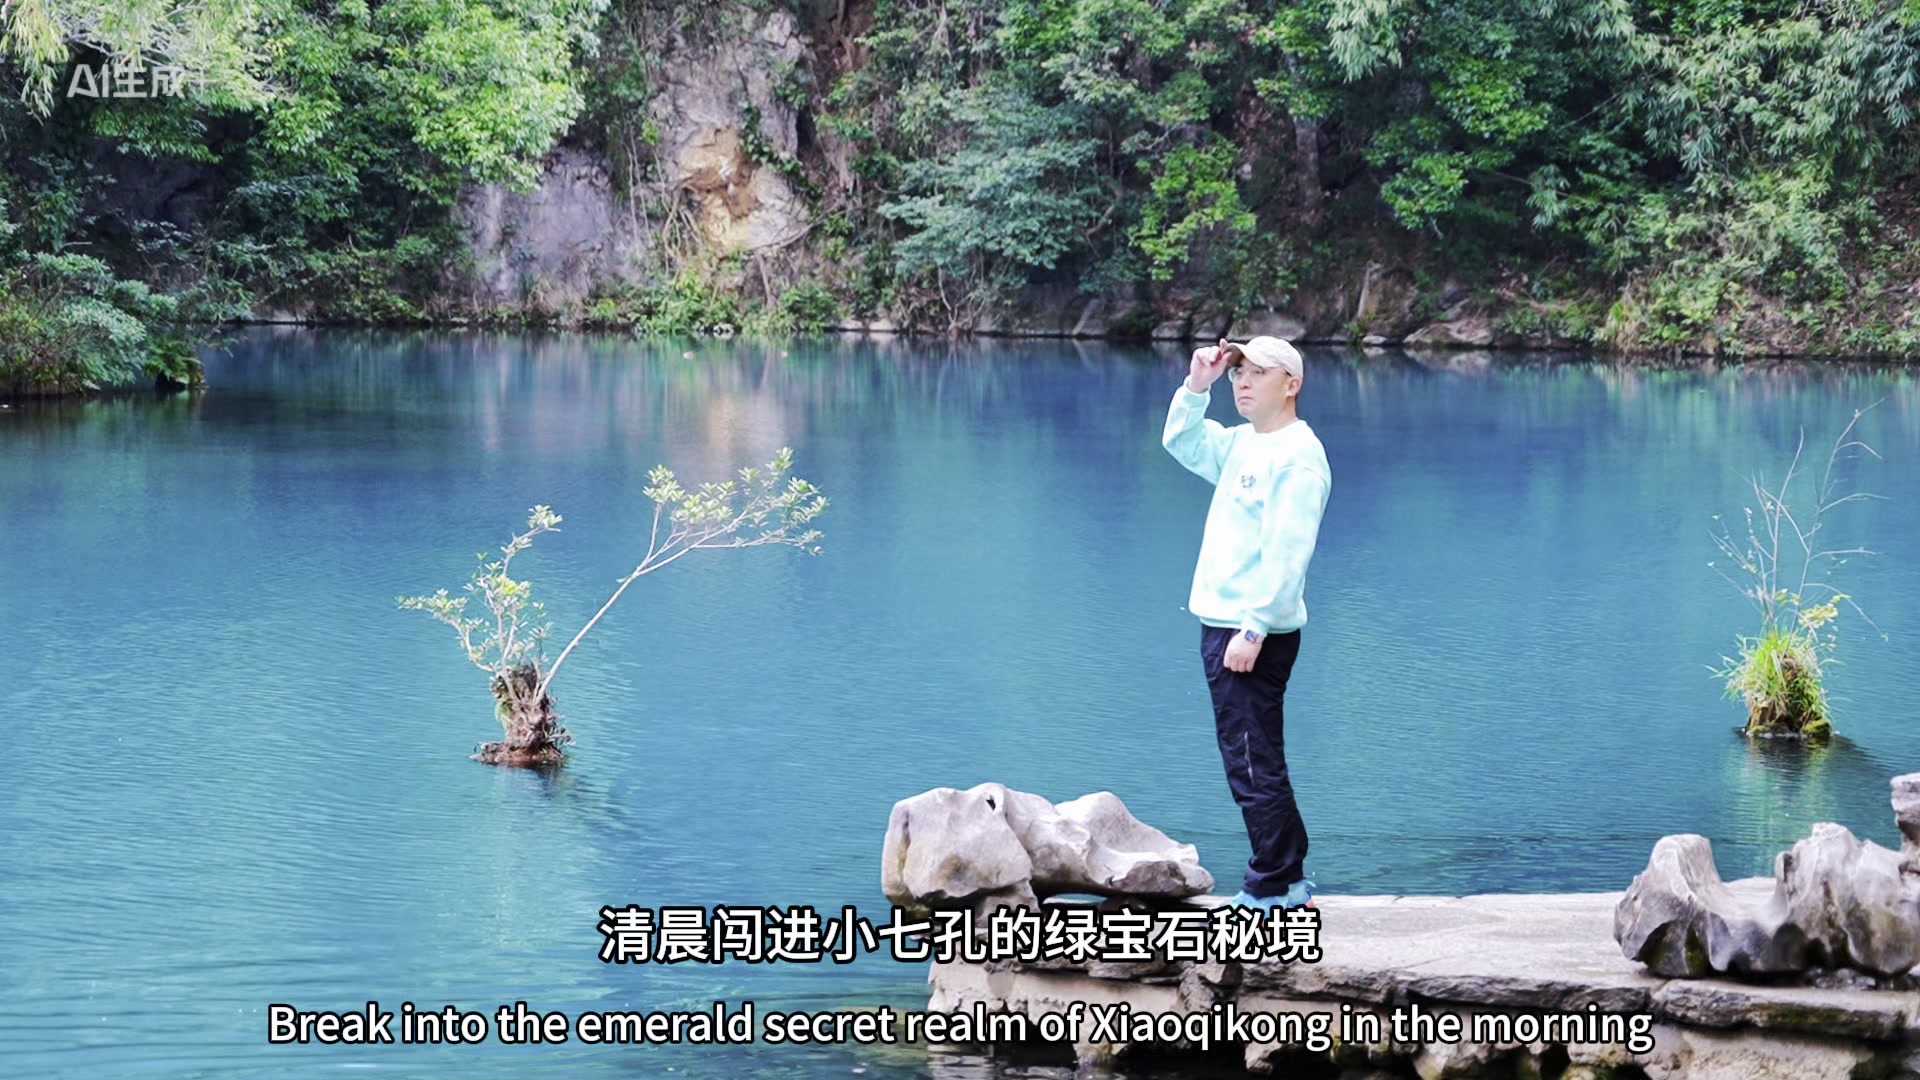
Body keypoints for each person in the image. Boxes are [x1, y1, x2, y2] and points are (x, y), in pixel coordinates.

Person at [1161, 335, 1331, 911]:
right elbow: (1181, 440)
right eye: (1239, 373)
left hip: (1253, 633)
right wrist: (1197, 386)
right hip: (1226, 625)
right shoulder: (1242, 443)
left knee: (1253, 761)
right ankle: (1287, 877)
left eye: (1259, 372)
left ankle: (1274, 884)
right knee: (1248, 758)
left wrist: (1255, 628)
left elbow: (1288, 555)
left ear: (1292, 384)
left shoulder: (1298, 456)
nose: (1244, 382)